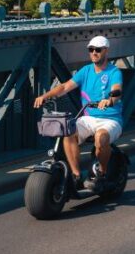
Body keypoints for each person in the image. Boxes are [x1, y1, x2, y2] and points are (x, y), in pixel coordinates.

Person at [33, 35, 122, 193]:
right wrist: (45, 96)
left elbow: (117, 90)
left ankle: (101, 172)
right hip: (88, 118)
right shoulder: (86, 71)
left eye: (98, 50)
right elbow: (65, 87)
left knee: (101, 138)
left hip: (110, 119)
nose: (94, 52)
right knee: (68, 132)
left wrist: (110, 100)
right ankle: (76, 176)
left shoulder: (114, 72)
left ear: (106, 51)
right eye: (91, 49)